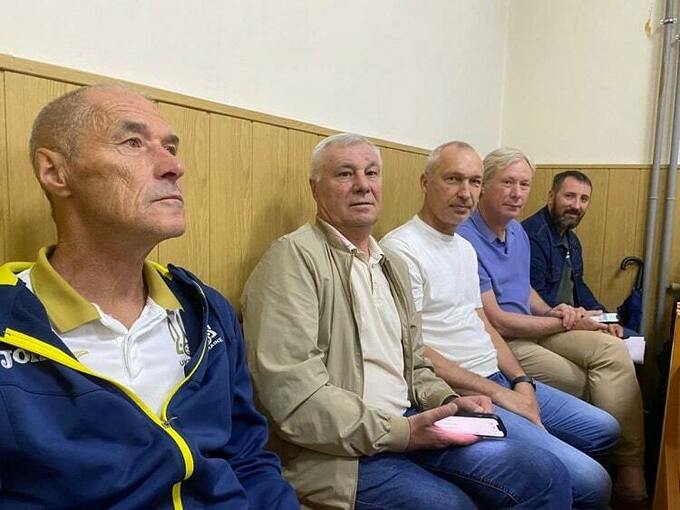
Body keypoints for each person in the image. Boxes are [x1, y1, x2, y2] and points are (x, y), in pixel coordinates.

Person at [242, 133, 578, 510]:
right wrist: (403, 432)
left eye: (372, 173)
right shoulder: (292, 261)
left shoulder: (390, 265)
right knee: (453, 506)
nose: (363, 185)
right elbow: (293, 397)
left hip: (413, 419)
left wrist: (449, 401)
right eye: (345, 174)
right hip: (343, 453)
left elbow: (416, 363)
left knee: (544, 472)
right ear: (315, 189)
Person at [0, 85, 298, 509]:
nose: (174, 166)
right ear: (55, 172)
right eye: (133, 143)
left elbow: (247, 458)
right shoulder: (10, 321)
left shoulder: (205, 309)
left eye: (171, 147)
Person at [380, 141, 619, 508]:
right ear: (425, 182)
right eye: (453, 179)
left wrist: (521, 381)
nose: (465, 193)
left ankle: (541, 458)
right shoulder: (402, 248)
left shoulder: (463, 247)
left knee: (605, 429)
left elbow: (483, 324)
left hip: (498, 377)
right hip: (459, 389)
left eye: (474, 182)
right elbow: (414, 351)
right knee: (592, 482)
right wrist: (502, 396)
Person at [457, 147, 648, 502]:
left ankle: (628, 465)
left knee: (611, 349)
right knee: (584, 380)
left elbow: (524, 290)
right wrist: (560, 324)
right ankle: (591, 472)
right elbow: (497, 321)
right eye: (508, 183)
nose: (517, 193)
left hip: (534, 327)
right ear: (483, 185)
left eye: (524, 184)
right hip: (504, 341)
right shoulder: (466, 238)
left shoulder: (516, 232)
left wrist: (552, 311)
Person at [522, 170, 632, 337]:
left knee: (631, 336)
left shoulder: (572, 240)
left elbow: (579, 286)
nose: (576, 206)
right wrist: (580, 318)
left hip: (572, 318)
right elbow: (535, 298)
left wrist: (605, 318)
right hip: (551, 323)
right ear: (551, 197)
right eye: (569, 196)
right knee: (615, 346)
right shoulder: (532, 236)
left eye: (584, 199)